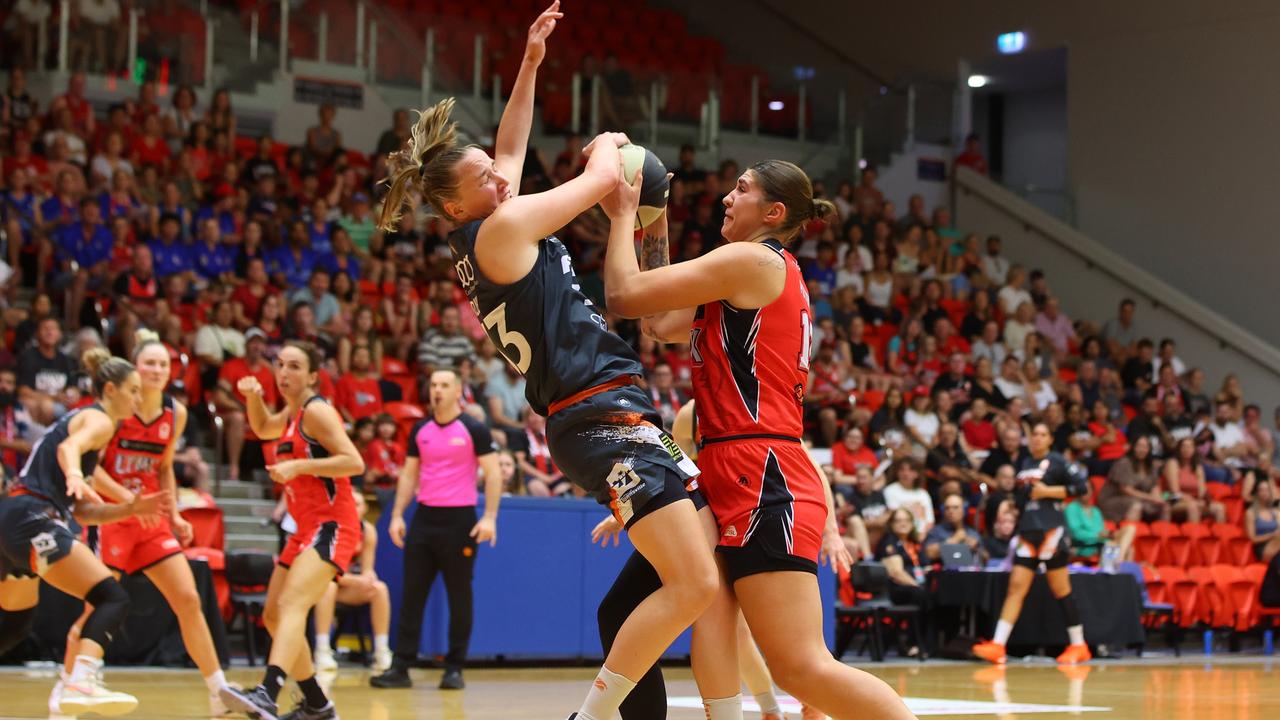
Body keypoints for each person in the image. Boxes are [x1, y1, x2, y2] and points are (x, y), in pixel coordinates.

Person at [375, 6, 724, 718]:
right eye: (485, 180)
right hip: (597, 413)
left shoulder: (484, 227)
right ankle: (590, 715)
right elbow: (599, 183)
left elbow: (509, 149)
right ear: (452, 204)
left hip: (604, 413)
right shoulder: (501, 228)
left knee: (693, 558)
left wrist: (531, 64)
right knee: (695, 586)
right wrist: (608, 146)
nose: (504, 181)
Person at [600, 154, 914, 718]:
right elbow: (655, 321)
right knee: (712, 622)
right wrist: (654, 219)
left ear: (772, 211)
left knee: (801, 666)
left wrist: (623, 216)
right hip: (728, 461)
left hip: (764, 468)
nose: (726, 197)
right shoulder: (735, 276)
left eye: (740, 190)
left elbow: (624, 295)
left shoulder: (753, 262)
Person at [56, 332, 231, 715]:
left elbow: (164, 467)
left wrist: (175, 515)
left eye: (163, 364)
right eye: (149, 363)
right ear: (135, 368)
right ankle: (65, 687)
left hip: (150, 519)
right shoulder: (115, 410)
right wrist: (129, 502)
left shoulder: (176, 412)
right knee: (94, 610)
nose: (156, 370)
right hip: (116, 516)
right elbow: (94, 470)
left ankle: (219, 690)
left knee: (188, 599)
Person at [0, 349, 171, 715]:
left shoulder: (85, 420)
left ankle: (77, 682)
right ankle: (82, 680)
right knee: (112, 598)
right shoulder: (100, 421)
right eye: (134, 390)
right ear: (111, 389)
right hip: (31, 516)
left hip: (14, 518)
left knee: (14, 624)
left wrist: (129, 509)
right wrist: (76, 474)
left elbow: (83, 511)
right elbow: (68, 449)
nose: (139, 399)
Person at [218, 342, 365, 720]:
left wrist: (299, 467)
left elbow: (354, 462)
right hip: (305, 528)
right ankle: (317, 703)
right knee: (272, 615)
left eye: (295, 366)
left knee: (291, 605)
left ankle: (269, 692)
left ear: (313, 375)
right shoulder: (290, 410)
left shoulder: (317, 412)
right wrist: (252, 396)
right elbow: (263, 427)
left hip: (333, 525)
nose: (284, 373)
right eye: (280, 365)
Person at [372, 369, 502, 690]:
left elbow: (494, 473)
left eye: (444, 385)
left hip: (459, 522)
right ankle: (400, 667)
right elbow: (408, 475)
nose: (437, 390)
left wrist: (489, 517)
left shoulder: (473, 428)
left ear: (458, 390)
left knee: (460, 596)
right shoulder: (420, 429)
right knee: (412, 594)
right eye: (433, 385)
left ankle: (454, 667)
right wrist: (398, 515)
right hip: (424, 519)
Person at [972, 422, 1091, 665]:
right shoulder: (1025, 464)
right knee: (1016, 587)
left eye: (1042, 434)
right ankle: (998, 645)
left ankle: (1079, 645)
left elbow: (1081, 488)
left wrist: (1048, 492)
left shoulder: (1058, 461)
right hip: (1028, 531)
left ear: (1050, 439)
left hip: (1051, 531)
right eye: (1034, 434)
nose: (1037, 438)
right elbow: (1022, 497)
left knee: (1061, 589)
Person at [312, 489, 393, 674]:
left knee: (380, 588)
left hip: (347, 587)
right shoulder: (330, 530)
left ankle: (382, 651)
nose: (354, 508)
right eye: (350, 504)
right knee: (329, 587)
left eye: (358, 504)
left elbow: (367, 569)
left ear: (365, 508)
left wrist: (368, 577)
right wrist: (356, 581)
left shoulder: (368, 531)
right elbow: (328, 573)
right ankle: (322, 650)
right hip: (323, 585)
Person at [1246, 479, 1280, 563]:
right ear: (1256, 493)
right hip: (1262, 547)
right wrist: (1271, 535)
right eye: (1261, 490)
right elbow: (1252, 539)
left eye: (1267, 490)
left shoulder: (1276, 512)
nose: (1264, 493)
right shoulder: (1250, 513)